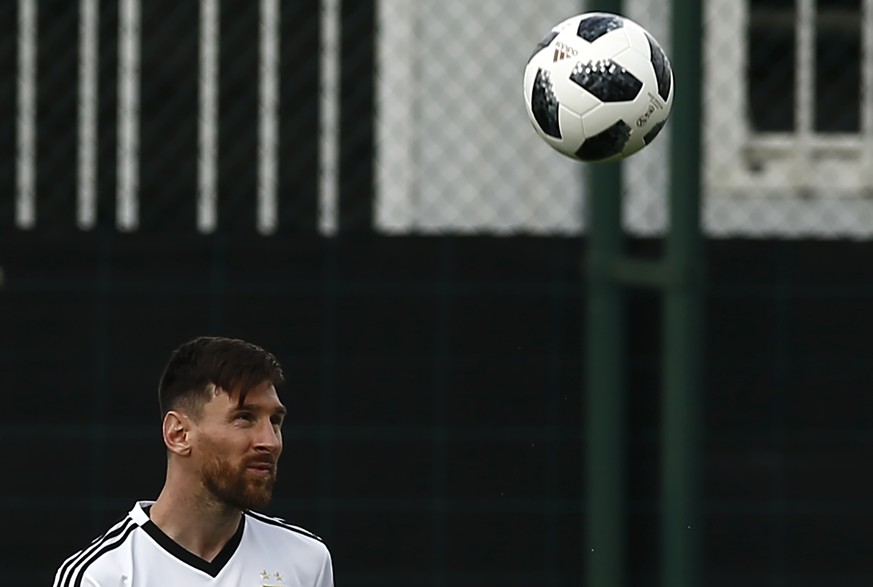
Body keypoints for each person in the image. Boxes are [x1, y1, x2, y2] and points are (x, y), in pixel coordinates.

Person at [53, 336, 333, 587]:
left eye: (275, 421)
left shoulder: (306, 560)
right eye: (244, 418)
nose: (270, 442)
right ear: (178, 434)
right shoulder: (102, 576)